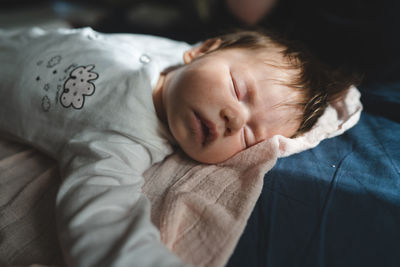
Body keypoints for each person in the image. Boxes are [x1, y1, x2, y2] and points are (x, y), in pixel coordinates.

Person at [0, 27, 358, 266]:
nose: (235, 119)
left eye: (249, 136)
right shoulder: (171, 55)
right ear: (202, 50)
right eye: (239, 90)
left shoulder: (123, 140)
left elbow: (103, 218)